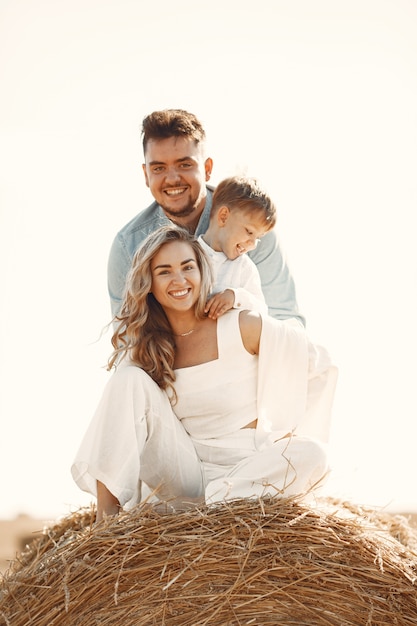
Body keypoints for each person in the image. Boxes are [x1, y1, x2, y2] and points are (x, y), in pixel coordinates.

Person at [72, 226, 337, 522]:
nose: (180, 280)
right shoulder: (148, 348)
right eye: (165, 272)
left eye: (188, 267)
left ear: (202, 272)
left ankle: (204, 508)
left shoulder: (241, 324)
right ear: (149, 284)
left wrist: (287, 426)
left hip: (252, 465)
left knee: (314, 455)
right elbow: (119, 412)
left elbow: (320, 363)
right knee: (127, 379)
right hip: (189, 472)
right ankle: (107, 519)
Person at [107, 108, 305, 325]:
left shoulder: (251, 225)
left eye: (185, 165)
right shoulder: (128, 246)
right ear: (146, 175)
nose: (172, 179)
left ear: (207, 168)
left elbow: (285, 319)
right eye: (159, 168)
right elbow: (127, 338)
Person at [201, 175, 275, 320]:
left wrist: (236, 297)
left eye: (257, 238)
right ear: (223, 217)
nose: (252, 245)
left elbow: (262, 313)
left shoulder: (243, 267)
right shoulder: (188, 254)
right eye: (249, 232)